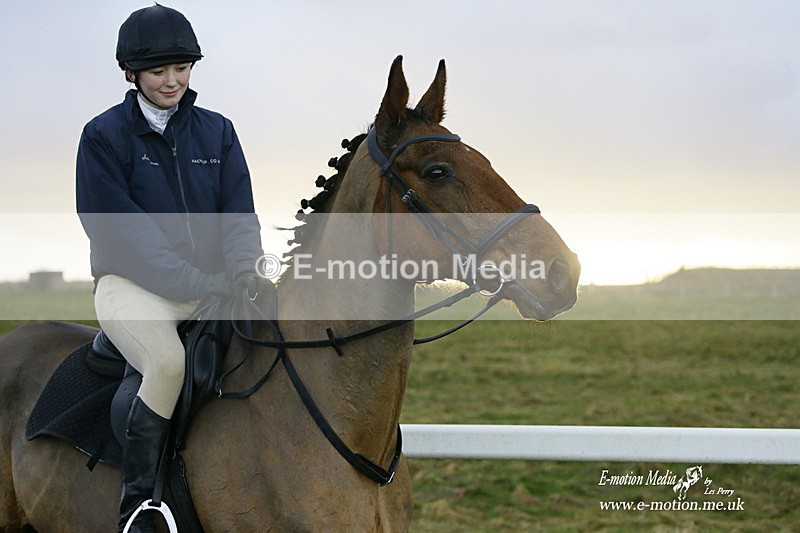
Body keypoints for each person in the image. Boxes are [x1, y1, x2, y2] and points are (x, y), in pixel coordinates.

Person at [76, 5, 264, 531]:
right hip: (132, 287)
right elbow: (122, 233)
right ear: (131, 73)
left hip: (213, 286)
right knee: (165, 364)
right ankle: (140, 507)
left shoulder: (218, 131)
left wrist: (245, 270)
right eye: (158, 71)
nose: (172, 81)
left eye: (181, 68)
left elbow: (238, 214)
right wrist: (198, 283)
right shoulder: (102, 136)